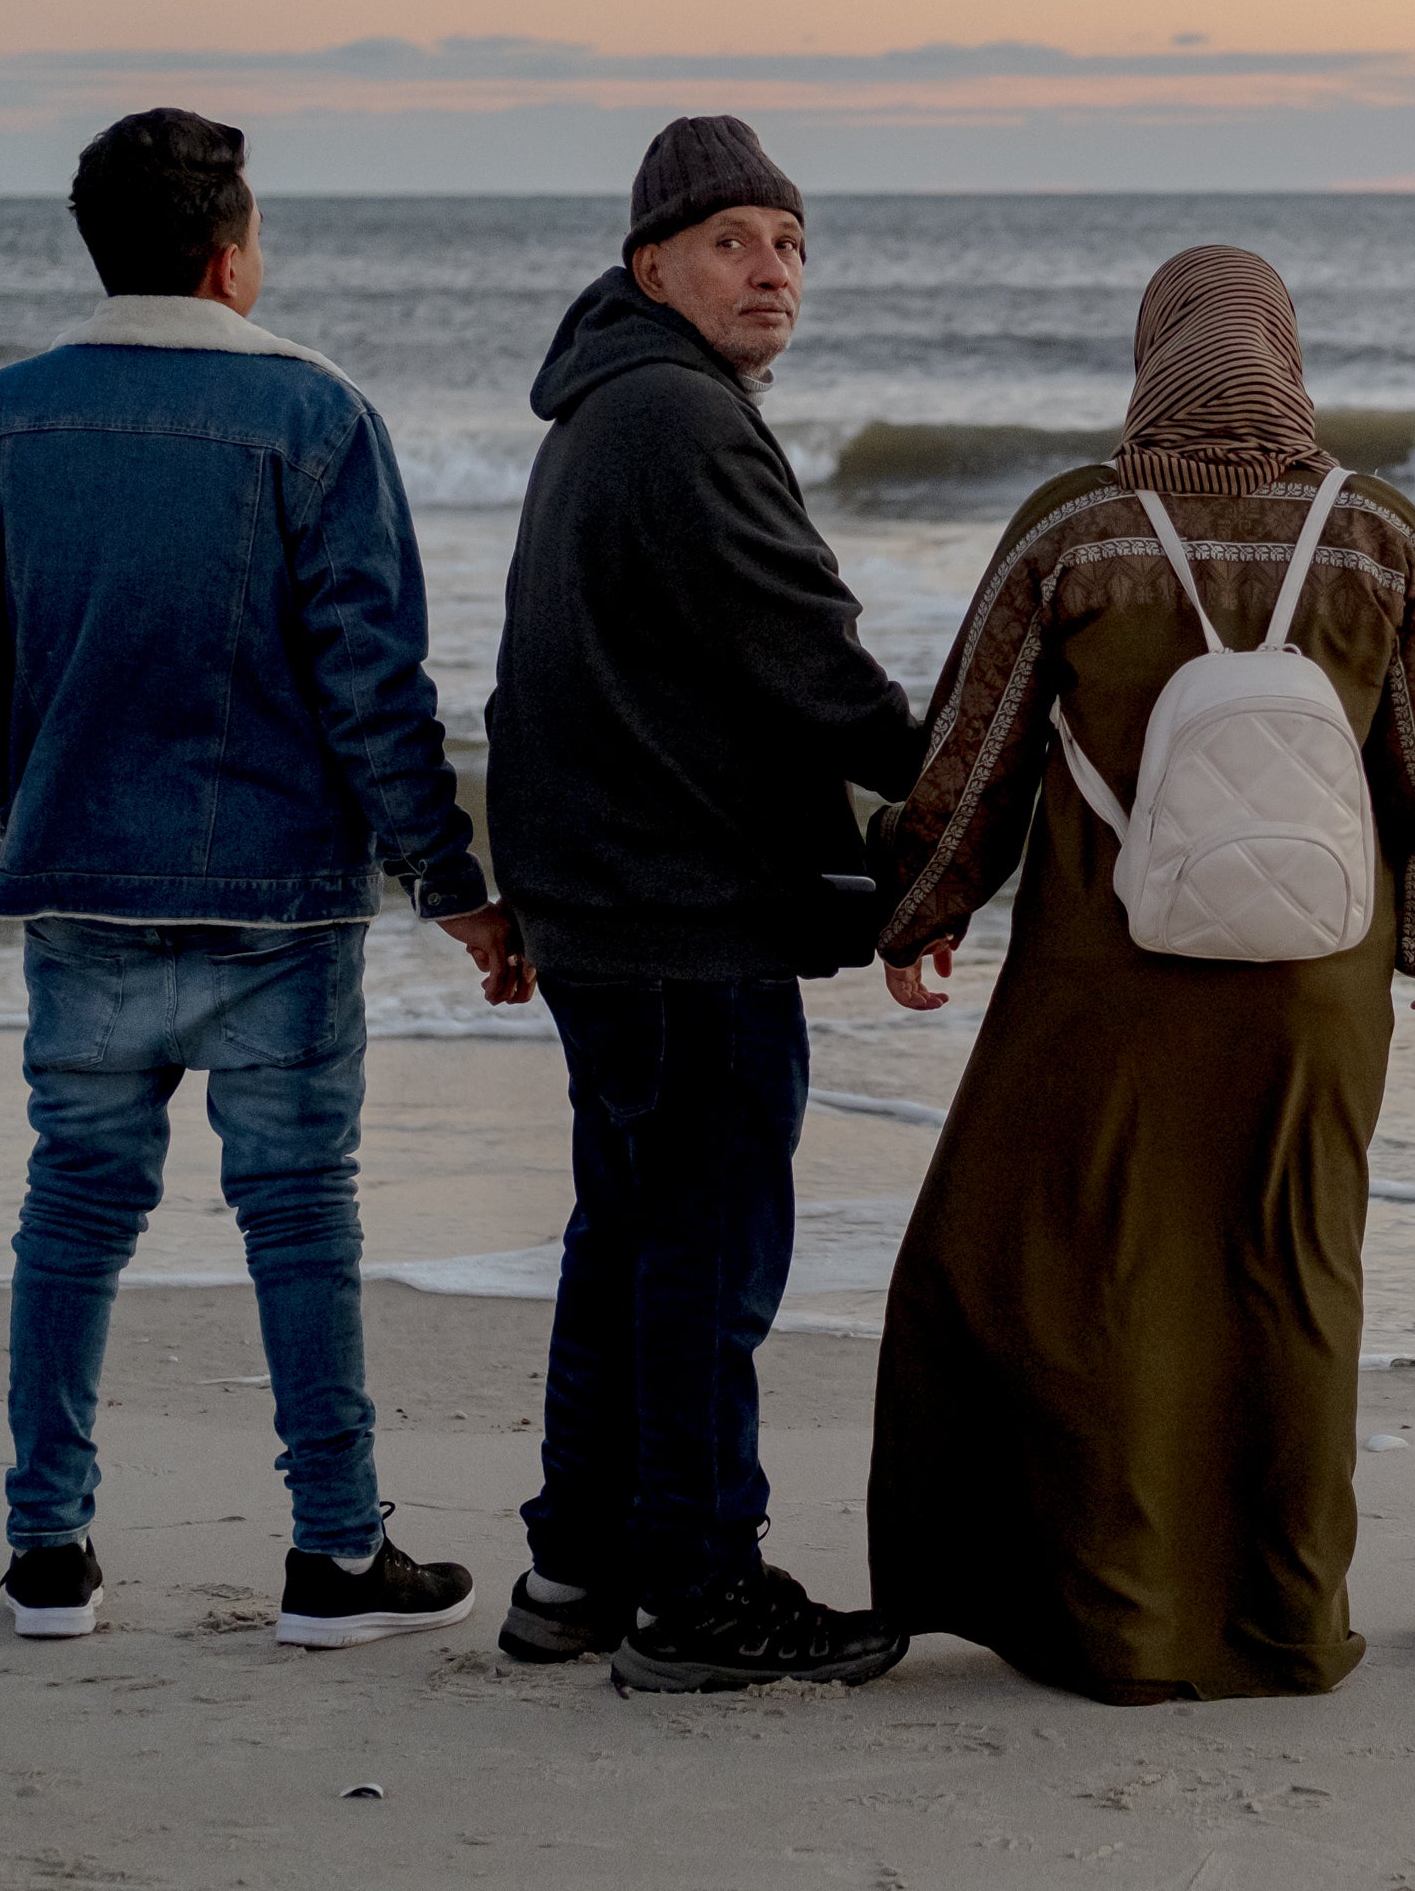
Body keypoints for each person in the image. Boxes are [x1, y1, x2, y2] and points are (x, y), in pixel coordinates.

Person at [0, 108, 522, 1650]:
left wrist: (25, 783)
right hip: (283, 901)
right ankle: (331, 1557)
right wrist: (453, 885)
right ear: (234, 256)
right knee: (300, 1219)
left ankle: (48, 1551)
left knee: (76, 1211)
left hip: (83, 885)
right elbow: (375, 686)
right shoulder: (318, 419)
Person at [861, 244, 1415, 1704]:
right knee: (1293, 1274)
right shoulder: (1378, 535)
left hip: (1106, 973)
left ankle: (1122, 1624)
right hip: (1313, 989)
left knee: (1082, 1276)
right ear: (1284, 355)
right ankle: (1285, 1626)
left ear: (1156, 354)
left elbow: (976, 752)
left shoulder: (1075, 527)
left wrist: (925, 909)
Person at [484, 115, 924, 1692]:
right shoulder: (678, 420)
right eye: (735, 241)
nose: (774, 271)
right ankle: (698, 1590)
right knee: (706, 1261)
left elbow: (529, 680)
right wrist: (958, 804)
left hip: (609, 902)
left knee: (631, 1242)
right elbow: (814, 661)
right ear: (649, 264)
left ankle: (577, 1568)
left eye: (794, 243)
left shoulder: (607, 413)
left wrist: (520, 888)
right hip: (676, 919)